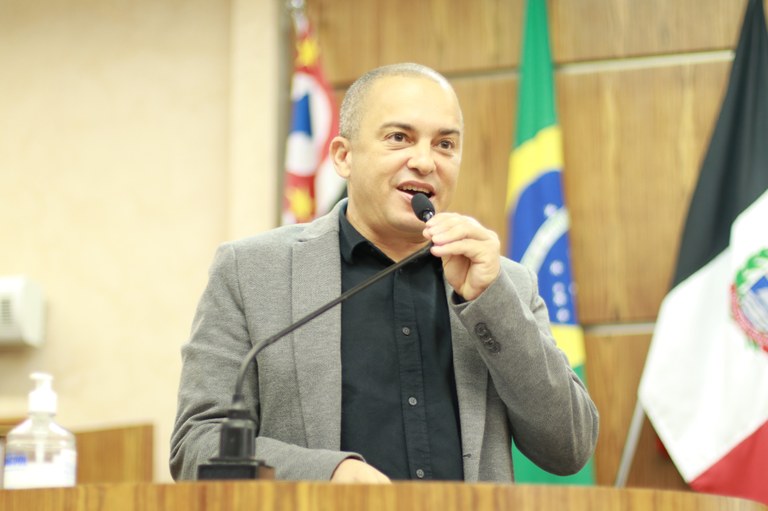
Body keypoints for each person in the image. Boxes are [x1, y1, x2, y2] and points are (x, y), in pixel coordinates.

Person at [170, 63, 598, 483]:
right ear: (344, 156)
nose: (425, 162)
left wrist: (491, 303)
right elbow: (198, 445)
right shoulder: (251, 272)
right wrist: (327, 474)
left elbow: (569, 448)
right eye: (399, 138)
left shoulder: (503, 283)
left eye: (445, 144)